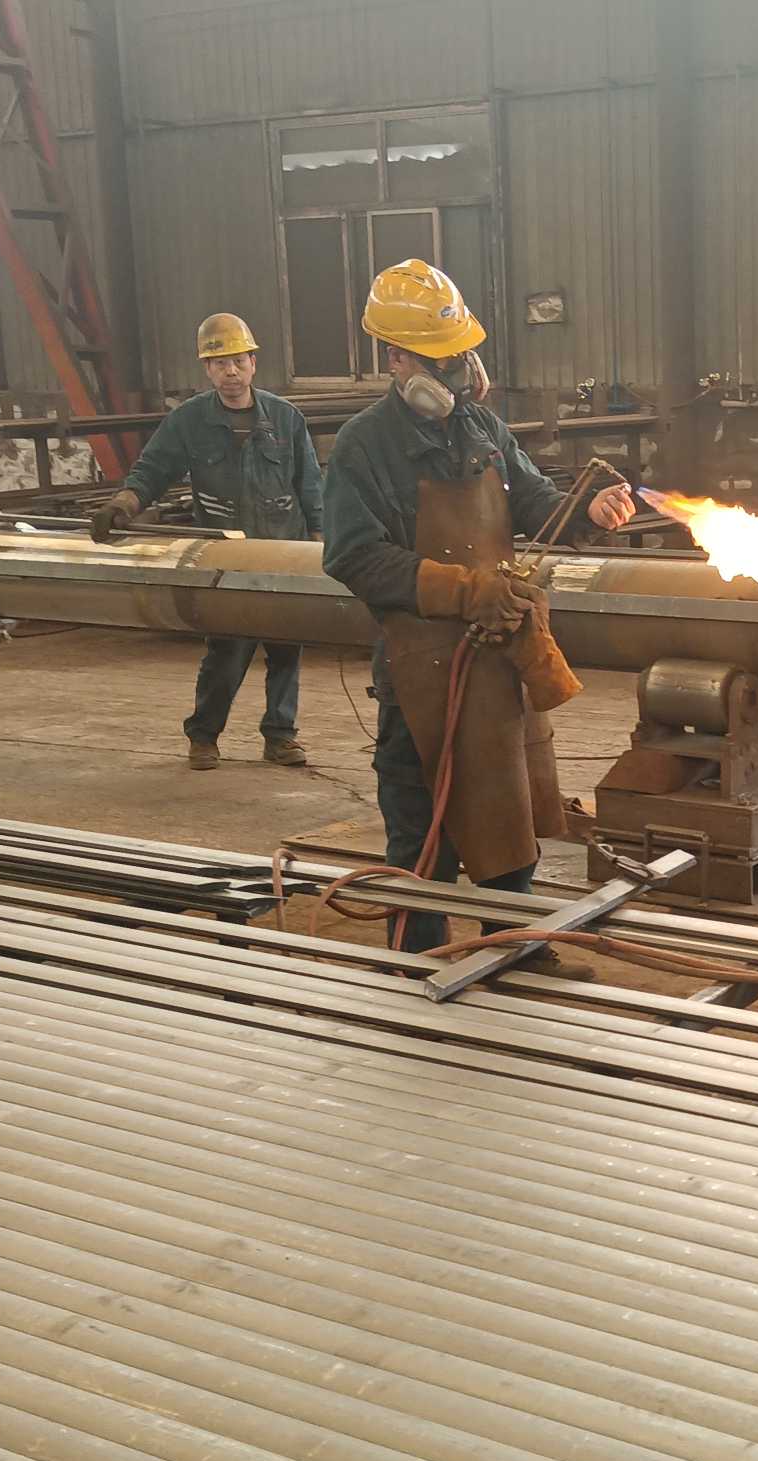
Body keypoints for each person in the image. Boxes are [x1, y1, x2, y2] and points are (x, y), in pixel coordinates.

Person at [321, 260, 634, 958]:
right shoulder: (364, 446)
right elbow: (354, 556)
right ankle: (421, 961)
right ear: (397, 359)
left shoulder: (481, 426)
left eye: (461, 354)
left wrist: (584, 511)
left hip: (498, 652)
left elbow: (532, 500)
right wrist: (466, 590)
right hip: (421, 668)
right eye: (442, 359)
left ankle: (513, 947)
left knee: (507, 807)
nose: (459, 372)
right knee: (422, 827)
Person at [90, 313, 323, 770]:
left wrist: (320, 543)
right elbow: (153, 469)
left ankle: (280, 736)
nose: (230, 372)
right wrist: (122, 505)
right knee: (226, 653)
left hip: (285, 551)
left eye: (238, 361)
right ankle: (204, 736)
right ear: (207, 369)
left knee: (286, 650)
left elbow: (310, 483)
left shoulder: (285, 418)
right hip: (225, 556)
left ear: (253, 363)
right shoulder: (189, 421)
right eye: (220, 364)